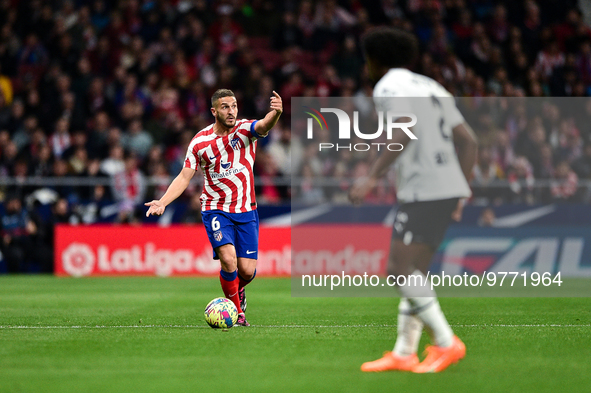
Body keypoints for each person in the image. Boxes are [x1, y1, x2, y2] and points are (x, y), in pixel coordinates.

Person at [349, 27, 478, 373]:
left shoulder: (388, 86)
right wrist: (460, 191)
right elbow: (469, 142)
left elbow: (403, 126)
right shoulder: (430, 86)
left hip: (424, 188)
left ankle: (446, 343)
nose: (366, 67)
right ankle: (405, 352)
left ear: (376, 59)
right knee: (415, 270)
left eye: (367, 60)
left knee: (397, 269)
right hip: (445, 186)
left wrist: (372, 176)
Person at [145, 88, 283, 326]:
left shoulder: (244, 130)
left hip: (246, 210)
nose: (231, 112)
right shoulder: (200, 142)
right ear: (214, 111)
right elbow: (184, 176)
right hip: (215, 209)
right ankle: (238, 314)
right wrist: (163, 201)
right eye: (225, 107)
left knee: (247, 271)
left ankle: (237, 290)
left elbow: (263, 126)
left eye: (234, 106)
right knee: (228, 260)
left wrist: (276, 113)